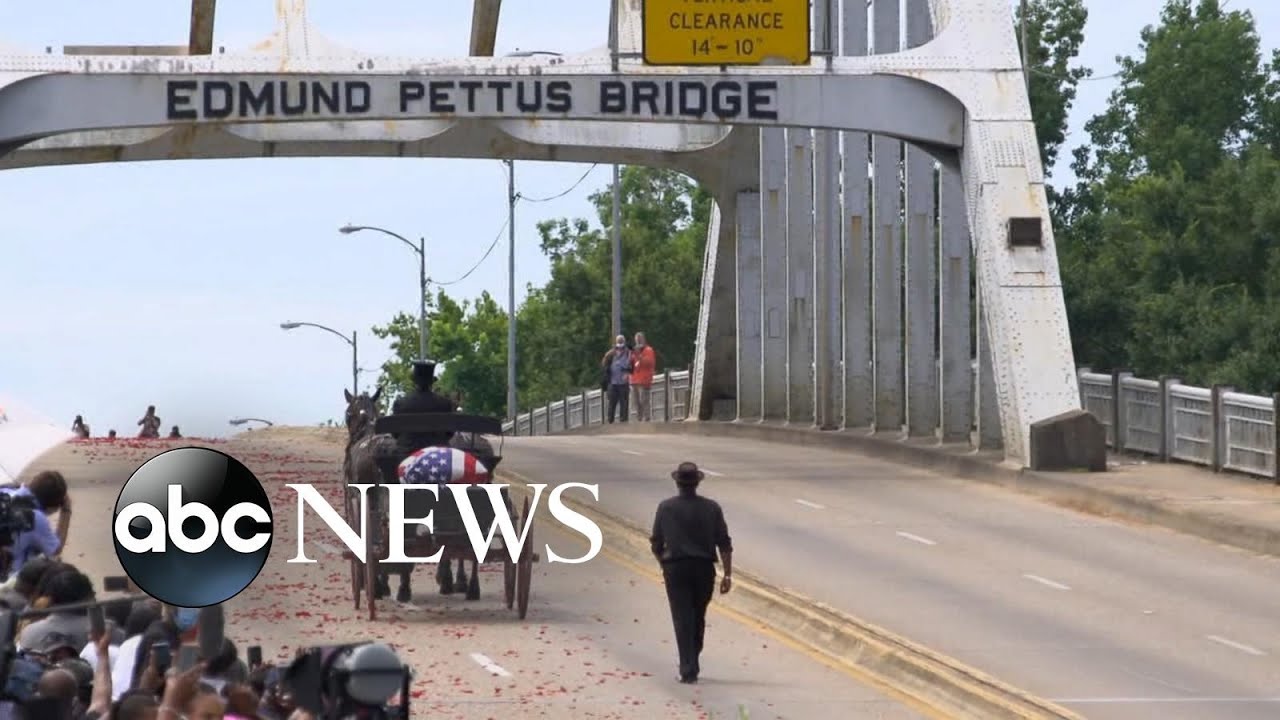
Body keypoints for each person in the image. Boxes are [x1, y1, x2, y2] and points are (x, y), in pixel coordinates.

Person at [649, 462, 733, 684]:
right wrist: (727, 574)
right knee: (698, 616)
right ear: (697, 483)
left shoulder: (666, 507)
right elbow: (724, 543)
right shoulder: (712, 508)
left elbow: (656, 542)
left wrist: (663, 563)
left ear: (677, 483)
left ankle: (688, 667)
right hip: (704, 568)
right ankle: (692, 660)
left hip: (675, 568)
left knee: (682, 617)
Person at [0, 470, 69, 580]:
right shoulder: (35, 518)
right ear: (52, 507)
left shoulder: (4, 491)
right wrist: (66, 511)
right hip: (7, 581)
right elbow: (55, 550)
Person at [390, 360, 456, 450]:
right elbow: (450, 433)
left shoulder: (400, 403)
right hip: (439, 450)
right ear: (432, 381)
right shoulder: (445, 403)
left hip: (406, 451)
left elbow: (395, 433)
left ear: (415, 380)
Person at [600, 335, 633, 423]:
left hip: (624, 382)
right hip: (613, 383)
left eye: (622, 342)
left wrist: (628, 371)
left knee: (624, 403)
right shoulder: (610, 354)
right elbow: (604, 364)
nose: (620, 346)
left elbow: (632, 366)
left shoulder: (628, 353)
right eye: (619, 342)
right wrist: (607, 371)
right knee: (612, 403)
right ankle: (610, 421)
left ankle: (623, 421)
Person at [630, 332, 658, 421]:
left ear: (644, 339)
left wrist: (640, 356)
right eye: (637, 340)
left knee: (644, 400)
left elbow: (650, 362)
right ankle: (639, 418)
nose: (638, 341)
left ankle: (647, 418)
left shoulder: (648, 350)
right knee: (636, 401)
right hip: (634, 380)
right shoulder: (633, 351)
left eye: (640, 339)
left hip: (644, 380)